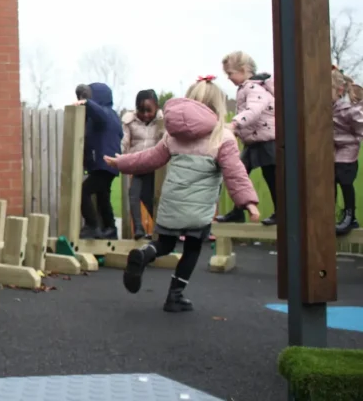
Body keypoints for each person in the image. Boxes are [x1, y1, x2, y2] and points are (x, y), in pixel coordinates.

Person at [105, 76, 259, 312]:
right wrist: (248, 202)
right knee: (193, 248)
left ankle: (144, 255)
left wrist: (121, 162)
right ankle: (174, 296)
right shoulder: (222, 137)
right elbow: (235, 173)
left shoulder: (173, 136)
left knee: (164, 244)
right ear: (216, 106)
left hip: (171, 205)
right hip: (198, 211)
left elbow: (148, 158)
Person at [216, 51, 278, 225]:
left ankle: (281, 211)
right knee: (238, 174)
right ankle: (238, 211)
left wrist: (234, 124)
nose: (228, 78)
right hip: (253, 141)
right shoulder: (245, 88)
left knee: (271, 177)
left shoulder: (254, 88)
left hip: (267, 141)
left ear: (243, 70)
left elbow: (253, 111)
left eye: (230, 73)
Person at [75, 82, 123, 239]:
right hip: (106, 164)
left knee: (84, 191)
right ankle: (111, 229)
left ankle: (92, 225)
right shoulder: (111, 115)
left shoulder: (104, 114)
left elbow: (97, 112)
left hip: (104, 164)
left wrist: (87, 102)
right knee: (103, 196)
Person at [121, 89, 164, 239]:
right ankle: (138, 228)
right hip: (138, 164)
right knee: (134, 193)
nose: (145, 114)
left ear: (156, 108)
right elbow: (125, 141)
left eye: (149, 111)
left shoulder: (161, 122)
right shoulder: (130, 121)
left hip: (155, 166)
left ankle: (162, 228)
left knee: (150, 197)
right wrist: (120, 155)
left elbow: (165, 142)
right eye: (141, 110)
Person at [332, 67, 363, 236]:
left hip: (347, 150)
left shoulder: (348, 109)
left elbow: (360, 125)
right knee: (330, 181)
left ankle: (350, 215)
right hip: (332, 149)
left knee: (345, 182)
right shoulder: (326, 107)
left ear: (339, 90)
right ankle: (332, 214)